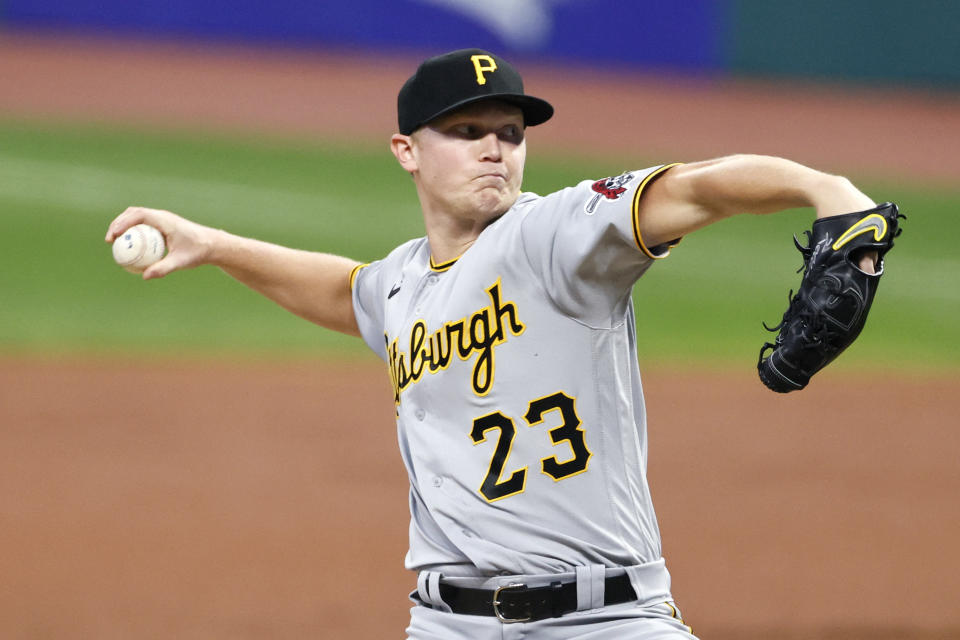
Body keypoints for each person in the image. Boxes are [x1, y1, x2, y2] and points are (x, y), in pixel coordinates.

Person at [105, 48, 881, 639]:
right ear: (407, 150)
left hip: (603, 618)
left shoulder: (554, 233)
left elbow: (694, 186)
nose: (495, 149)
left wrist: (827, 191)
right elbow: (345, 292)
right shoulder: (404, 282)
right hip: (447, 623)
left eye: (509, 134)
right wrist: (210, 243)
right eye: (466, 131)